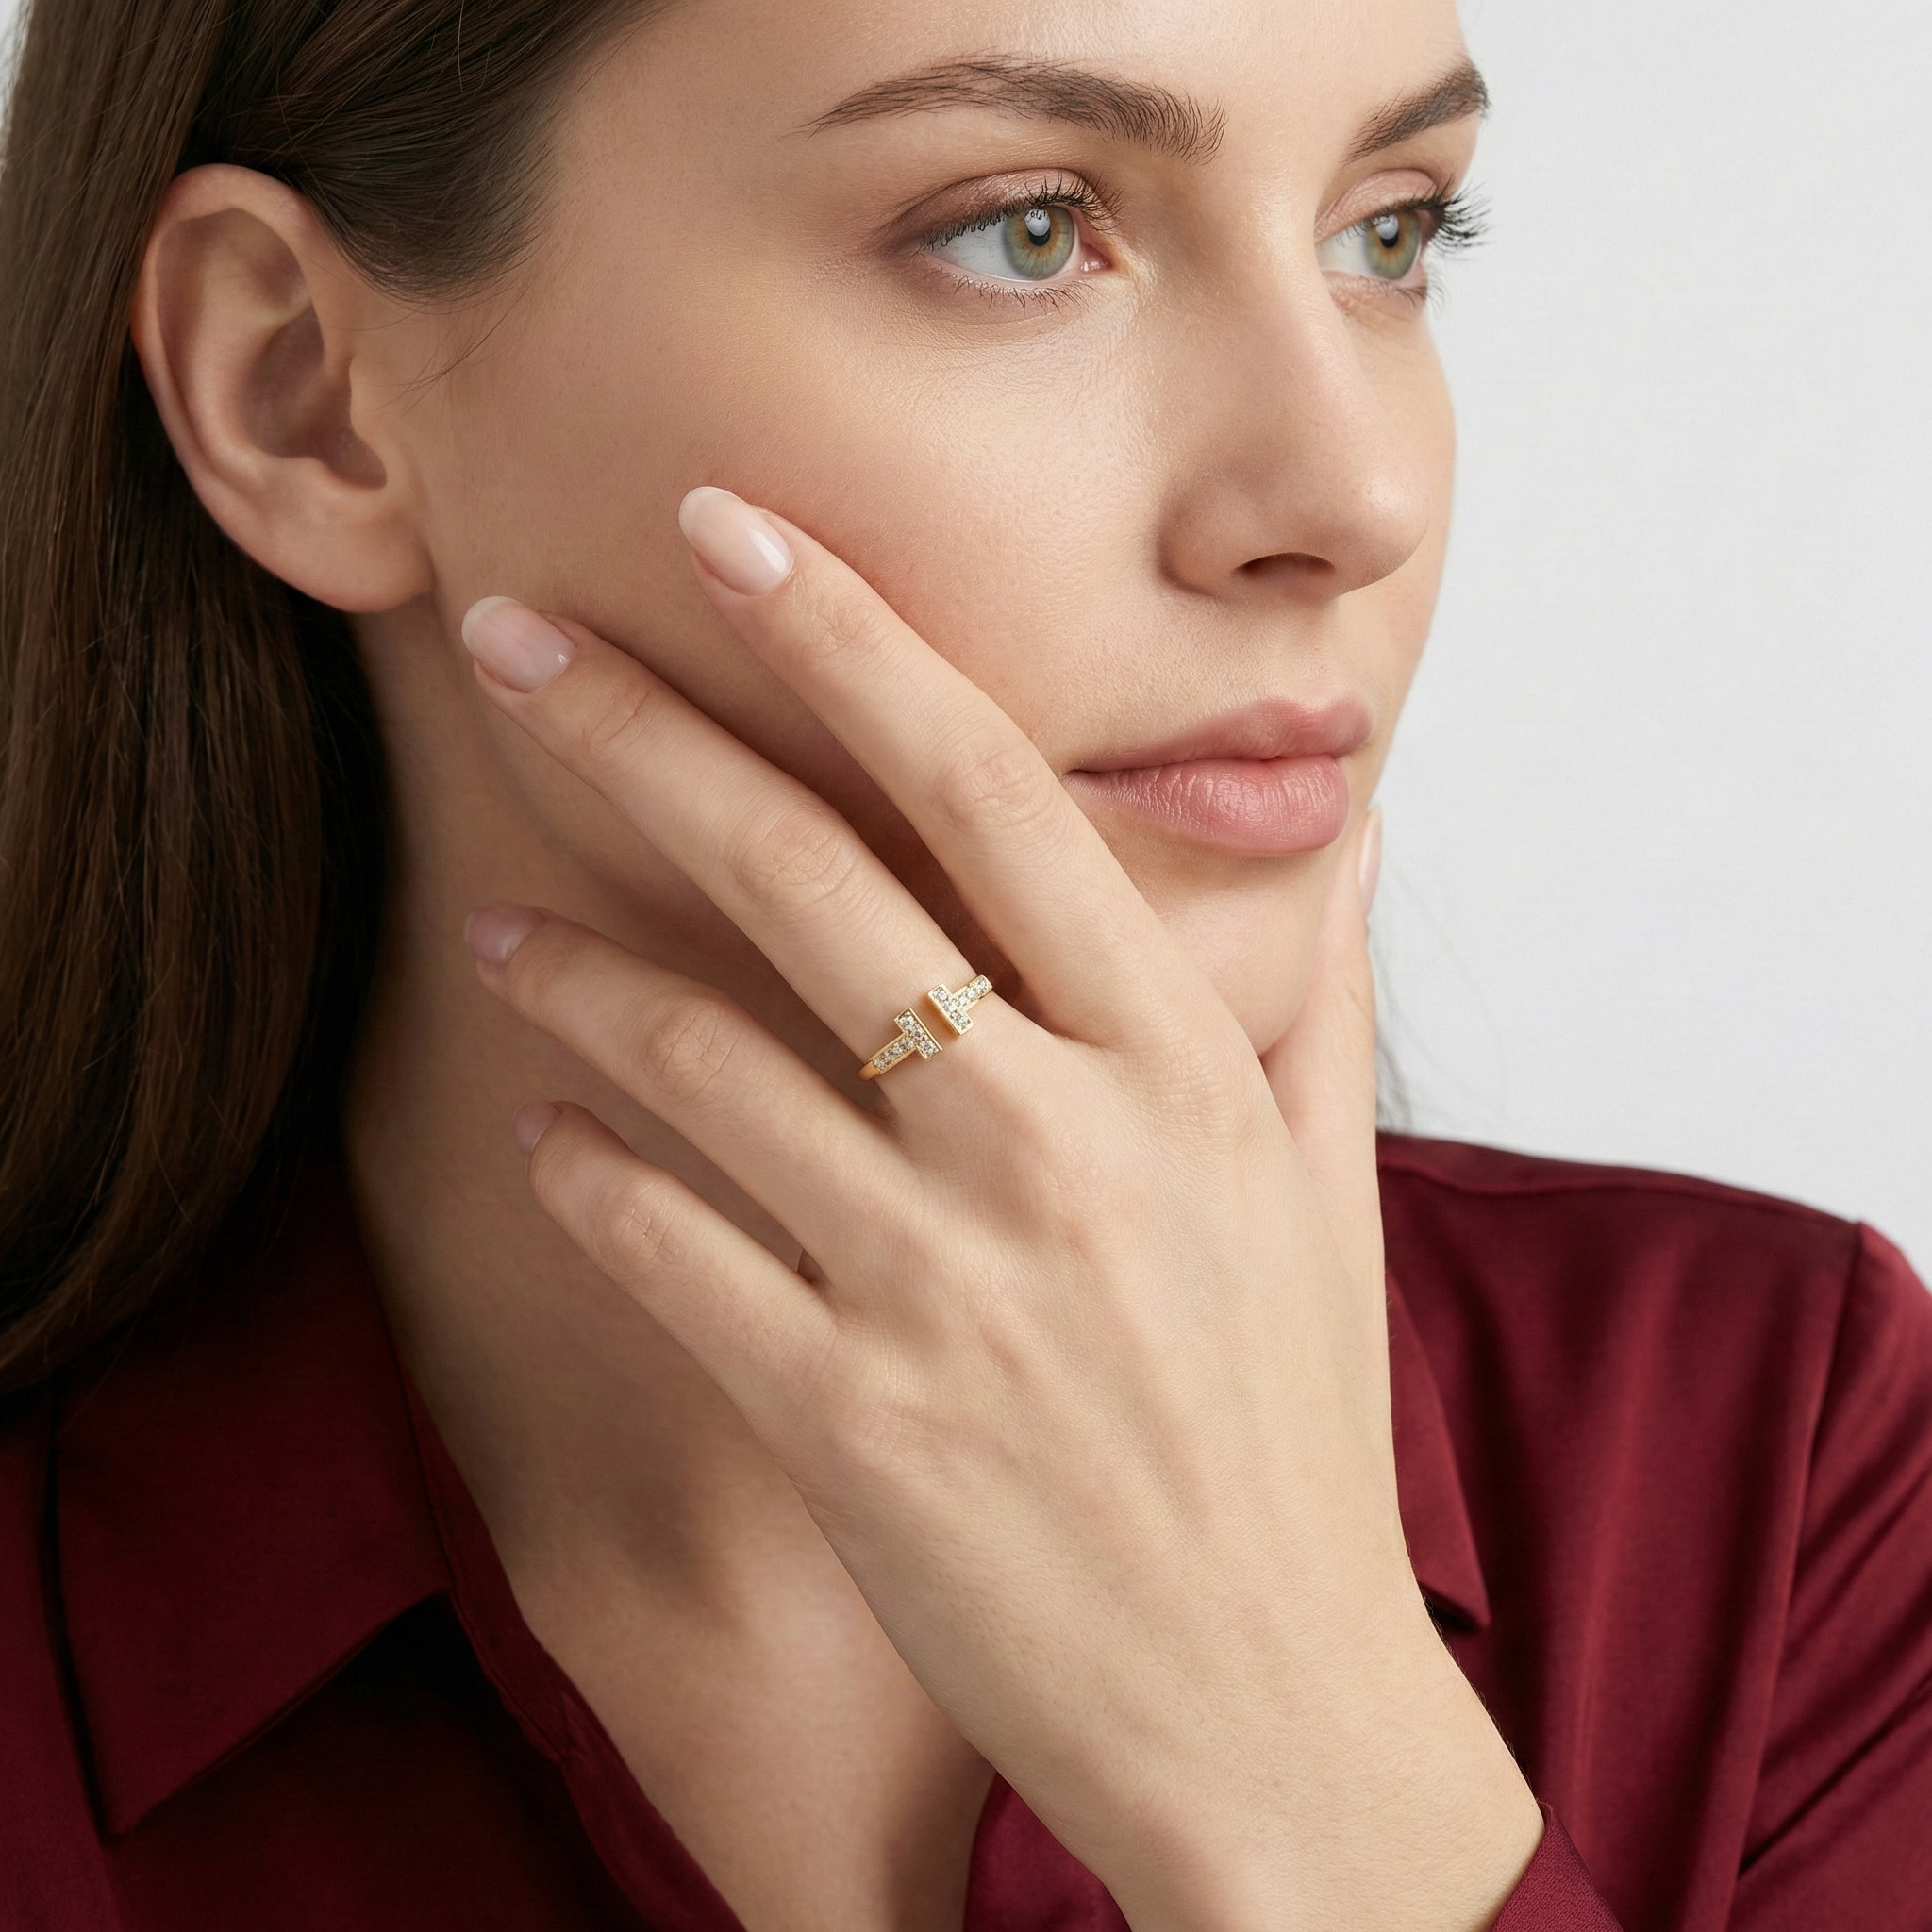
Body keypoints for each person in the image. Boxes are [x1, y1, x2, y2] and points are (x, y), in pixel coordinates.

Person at [1, 0, 1926, 1926]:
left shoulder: (1792, 1466)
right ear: (300, 392)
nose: (1352, 502)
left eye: (1388, 232)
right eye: (1025, 231)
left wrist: (1309, 1773)